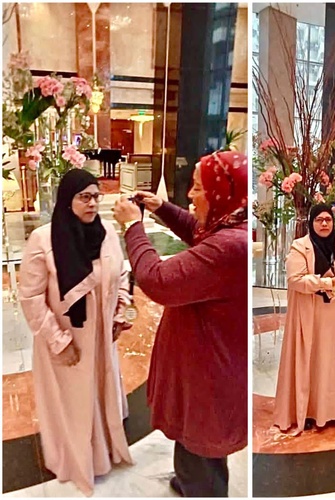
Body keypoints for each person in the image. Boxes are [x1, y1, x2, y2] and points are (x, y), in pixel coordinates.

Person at [113, 151, 248, 497]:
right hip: (203, 366)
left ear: (221, 194)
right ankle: (189, 482)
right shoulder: (228, 224)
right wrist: (162, 207)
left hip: (211, 375)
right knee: (193, 440)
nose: (190, 195)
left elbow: (157, 280)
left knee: (204, 445)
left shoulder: (231, 246)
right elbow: (198, 230)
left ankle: (199, 489)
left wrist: (133, 227)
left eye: (198, 188)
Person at [19, 169, 133, 496]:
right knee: (72, 403)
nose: (92, 203)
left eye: (96, 196)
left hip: (101, 337)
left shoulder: (106, 233)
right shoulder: (44, 239)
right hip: (66, 339)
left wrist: (120, 313)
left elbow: (122, 274)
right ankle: (77, 461)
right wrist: (59, 341)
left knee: (99, 391)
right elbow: (30, 297)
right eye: (84, 197)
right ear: (67, 201)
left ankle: (104, 451)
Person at [273, 204, 335, 433]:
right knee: (308, 358)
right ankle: (305, 410)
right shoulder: (300, 247)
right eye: (319, 220)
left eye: (328, 219)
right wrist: (328, 282)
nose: (324, 223)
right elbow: (295, 280)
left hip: (333, 315)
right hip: (309, 315)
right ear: (311, 222)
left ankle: (330, 410)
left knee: (329, 360)